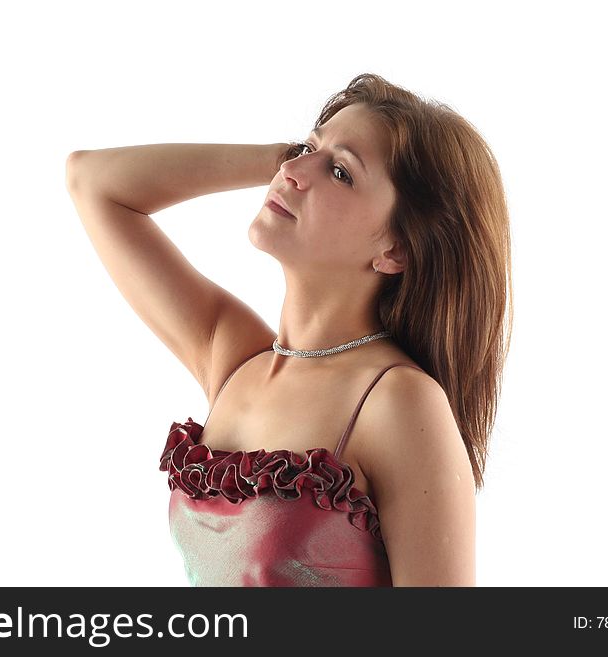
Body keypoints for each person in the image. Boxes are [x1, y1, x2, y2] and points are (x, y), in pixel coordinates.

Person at [66, 72, 513, 587]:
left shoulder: (399, 402)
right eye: (307, 149)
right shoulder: (231, 359)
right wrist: (281, 158)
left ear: (396, 250)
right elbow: (91, 180)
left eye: (342, 173)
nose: (296, 172)